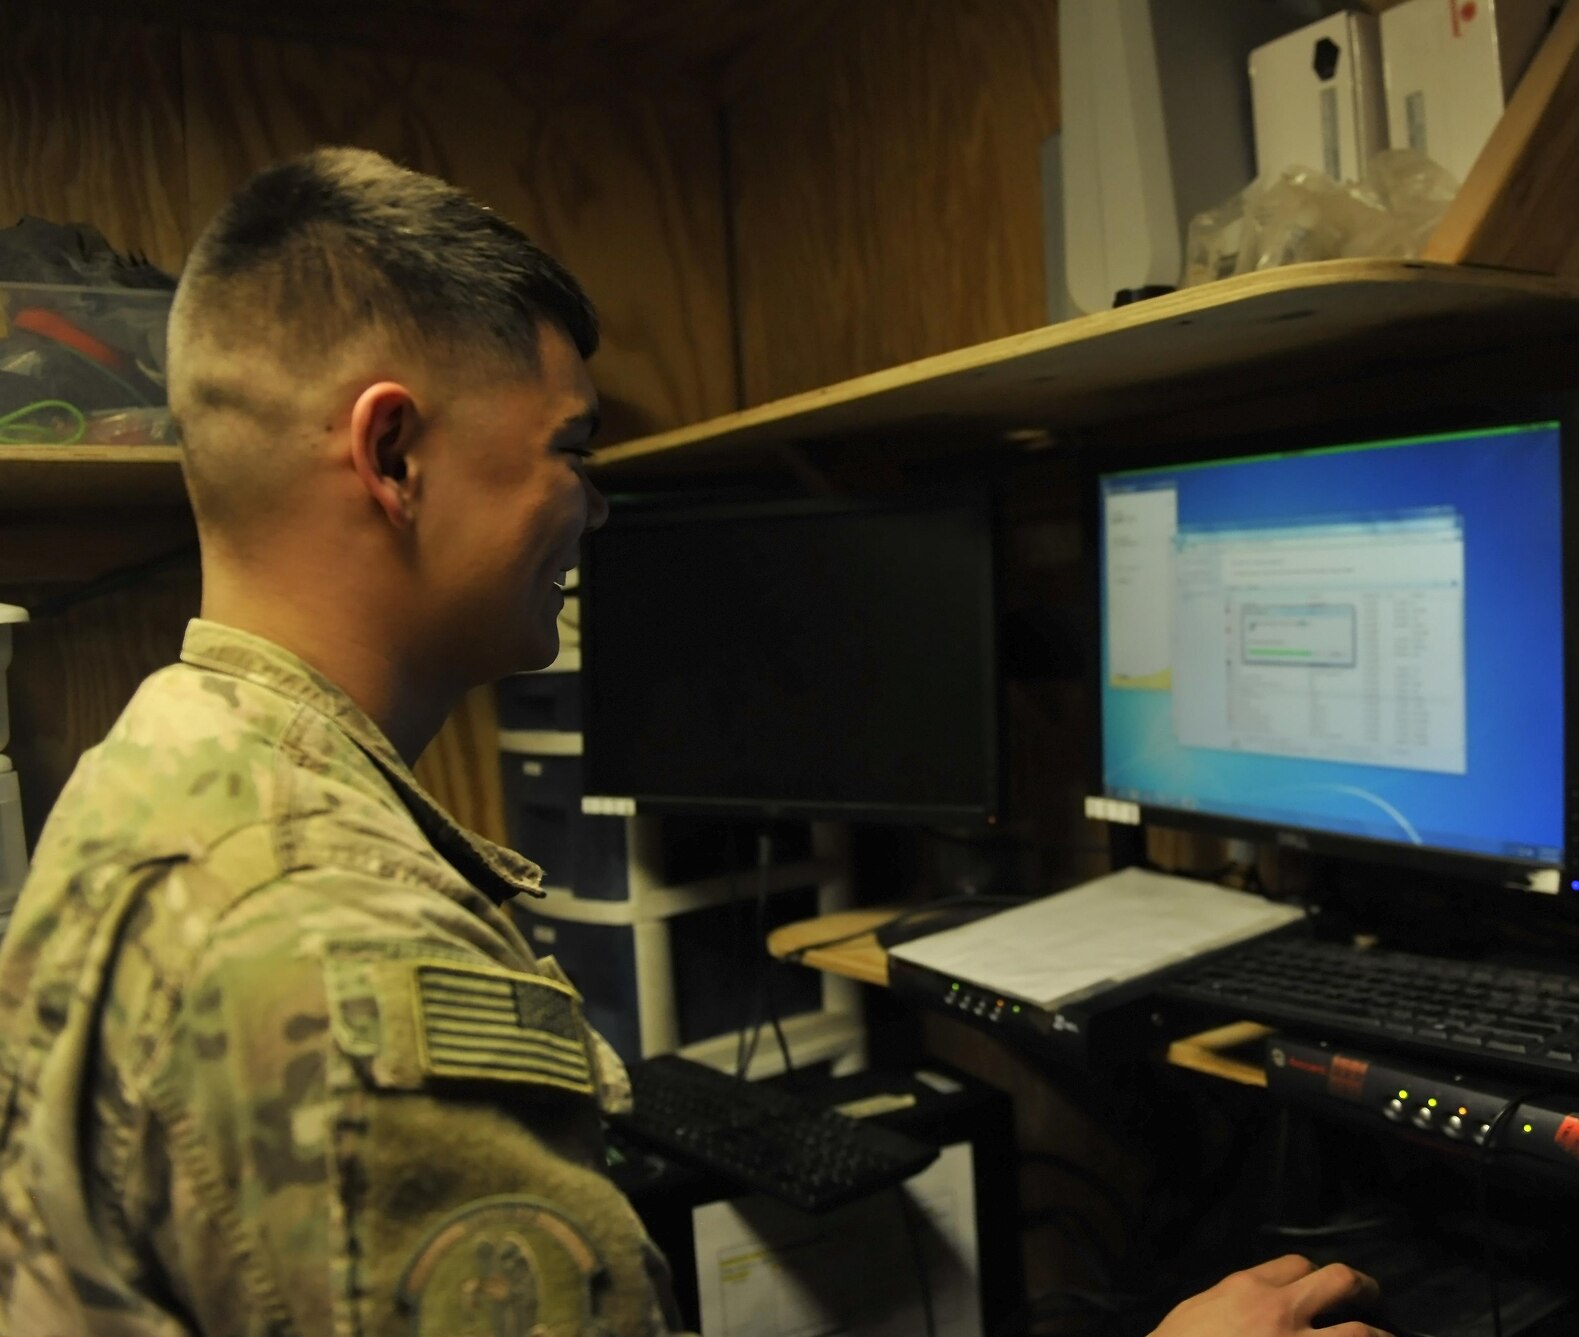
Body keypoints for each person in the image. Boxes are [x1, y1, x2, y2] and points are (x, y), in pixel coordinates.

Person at [0, 147, 1390, 1337]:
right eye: (572, 450)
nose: (593, 512)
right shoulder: (339, 947)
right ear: (394, 454)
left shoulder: (152, 763)